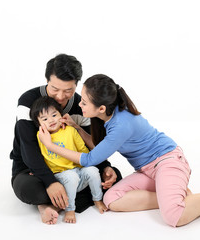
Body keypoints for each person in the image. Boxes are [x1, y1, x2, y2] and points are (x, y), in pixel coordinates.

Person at [38, 73, 200, 227]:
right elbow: (98, 148)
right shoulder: (107, 117)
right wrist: (77, 126)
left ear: (102, 107)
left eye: (84, 102)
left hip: (168, 161)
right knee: (112, 199)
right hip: (147, 170)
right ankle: (179, 196)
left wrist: (50, 146)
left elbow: (89, 159)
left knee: (174, 216)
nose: (80, 104)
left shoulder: (121, 125)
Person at [9, 55, 122, 225]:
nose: (60, 96)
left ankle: (53, 204)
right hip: (32, 169)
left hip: (73, 169)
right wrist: (50, 181)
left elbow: (86, 145)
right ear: (47, 80)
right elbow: (28, 148)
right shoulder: (27, 102)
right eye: (55, 88)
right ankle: (57, 199)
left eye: (68, 90)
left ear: (77, 84)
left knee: (113, 177)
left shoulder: (81, 105)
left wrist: (105, 166)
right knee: (30, 190)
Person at [30, 96, 107, 223]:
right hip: (60, 176)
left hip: (78, 171)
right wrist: (35, 171)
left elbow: (83, 150)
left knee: (92, 170)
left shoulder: (70, 130)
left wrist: (93, 162)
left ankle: (97, 199)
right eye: (44, 119)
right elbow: (37, 155)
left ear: (62, 114)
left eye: (54, 115)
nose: (51, 120)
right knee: (71, 176)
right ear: (39, 124)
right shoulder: (42, 136)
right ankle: (70, 209)